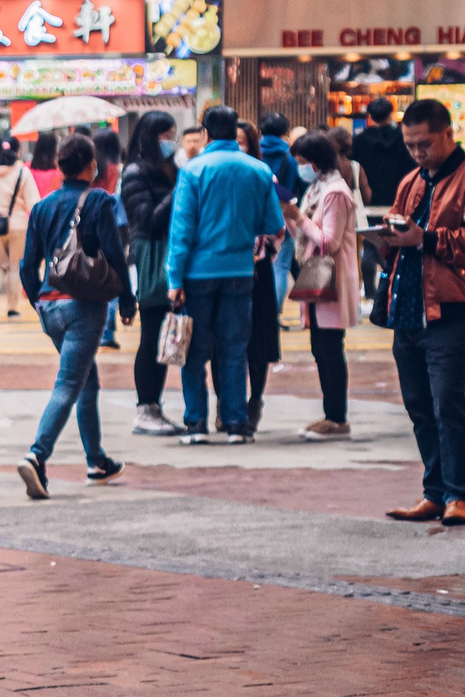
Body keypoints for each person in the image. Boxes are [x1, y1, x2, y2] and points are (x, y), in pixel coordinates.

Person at [162, 105, 285, 444]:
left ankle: (196, 425)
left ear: (206, 134)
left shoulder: (193, 171)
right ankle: (235, 424)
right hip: (241, 272)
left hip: (198, 273)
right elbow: (274, 224)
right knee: (234, 350)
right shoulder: (259, 170)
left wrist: (174, 280)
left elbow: (181, 231)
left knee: (195, 351)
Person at [13, 133, 125, 499]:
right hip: (84, 308)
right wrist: (127, 300)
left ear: (61, 167)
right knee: (67, 385)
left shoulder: (42, 208)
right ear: (93, 166)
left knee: (84, 381)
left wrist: (39, 304)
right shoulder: (100, 201)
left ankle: (97, 459)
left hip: (50, 306)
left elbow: (28, 267)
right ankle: (37, 455)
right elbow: (115, 254)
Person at [380, 98, 465, 524]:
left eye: (424, 144)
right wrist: (386, 238)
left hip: (451, 308)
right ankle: (435, 490)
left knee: (450, 403)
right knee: (418, 404)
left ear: (448, 133)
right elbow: (402, 231)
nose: (417, 153)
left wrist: (424, 239)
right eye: (410, 145)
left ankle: (458, 494)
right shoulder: (411, 180)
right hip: (408, 307)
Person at [283, 129, 362, 442]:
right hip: (317, 276)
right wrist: (292, 218)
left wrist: (299, 218)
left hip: (331, 279)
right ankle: (331, 414)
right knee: (321, 348)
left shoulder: (335, 192)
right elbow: (305, 235)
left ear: (315, 162)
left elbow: (328, 242)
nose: (301, 167)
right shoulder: (317, 187)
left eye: (303, 161)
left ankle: (338, 417)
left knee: (330, 349)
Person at [121, 110, 184, 436]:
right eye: (165, 135)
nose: (170, 142)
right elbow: (146, 220)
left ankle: (153, 407)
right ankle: (145, 409)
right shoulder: (134, 172)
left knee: (161, 334)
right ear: (150, 136)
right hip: (150, 256)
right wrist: (179, 190)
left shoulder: (166, 169)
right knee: (151, 334)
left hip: (168, 252)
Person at [0, 135, 39, 319]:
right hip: (18, 225)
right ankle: (12, 308)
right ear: (17, 151)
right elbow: (33, 203)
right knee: (14, 266)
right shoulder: (22, 172)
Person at [354, 94, 408, 208]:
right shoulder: (403, 139)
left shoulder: (359, 141)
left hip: (368, 199)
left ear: (370, 116)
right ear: (390, 115)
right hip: (398, 197)